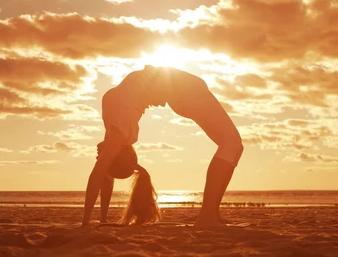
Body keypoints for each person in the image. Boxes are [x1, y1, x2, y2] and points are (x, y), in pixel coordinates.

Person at [82, 66, 243, 228]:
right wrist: (85, 223)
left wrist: (101, 220)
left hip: (181, 90)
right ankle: (207, 217)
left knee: (235, 146)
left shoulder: (113, 127)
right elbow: (100, 172)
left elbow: (103, 173)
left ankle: (212, 213)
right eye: (104, 157)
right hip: (184, 91)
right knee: (231, 144)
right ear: (116, 154)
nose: (98, 156)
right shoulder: (120, 133)